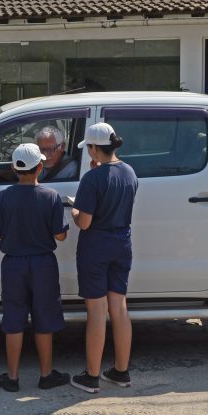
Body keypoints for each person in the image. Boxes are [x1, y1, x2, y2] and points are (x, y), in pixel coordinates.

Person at [0, 143, 71, 393]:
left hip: (13, 264)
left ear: (14, 168)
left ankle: (12, 377)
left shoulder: (4, 196)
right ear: (40, 167)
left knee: (13, 318)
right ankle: (46, 375)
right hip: (43, 264)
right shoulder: (51, 196)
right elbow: (60, 236)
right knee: (44, 317)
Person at [68, 123, 138, 394]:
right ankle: (121, 371)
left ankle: (92, 376)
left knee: (97, 311)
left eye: (89, 149)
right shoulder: (129, 172)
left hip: (96, 246)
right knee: (119, 308)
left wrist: (74, 209)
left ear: (95, 149)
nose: (88, 154)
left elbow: (84, 223)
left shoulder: (91, 179)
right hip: (122, 243)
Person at [0, 126, 79, 182]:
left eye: (50, 149)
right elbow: (19, 176)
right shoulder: (36, 160)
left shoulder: (72, 169)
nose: (45, 154)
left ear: (62, 147)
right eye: (41, 149)